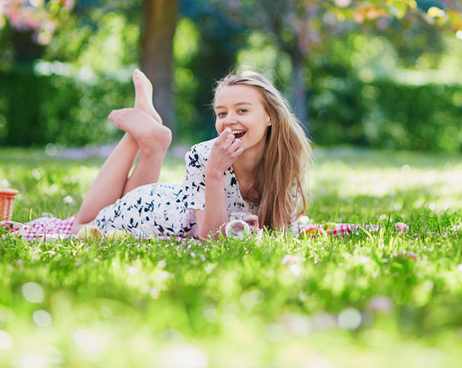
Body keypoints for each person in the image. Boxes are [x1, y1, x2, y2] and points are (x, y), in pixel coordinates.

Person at [70, 69, 310, 240]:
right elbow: (212, 238)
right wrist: (214, 171)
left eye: (242, 110)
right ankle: (135, 137)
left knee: (120, 198)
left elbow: (280, 231)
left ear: (270, 116)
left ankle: (153, 143)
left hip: (170, 199)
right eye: (222, 113)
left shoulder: (284, 159)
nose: (229, 121)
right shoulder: (204, 155)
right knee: (79, 227)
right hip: (150, 212)